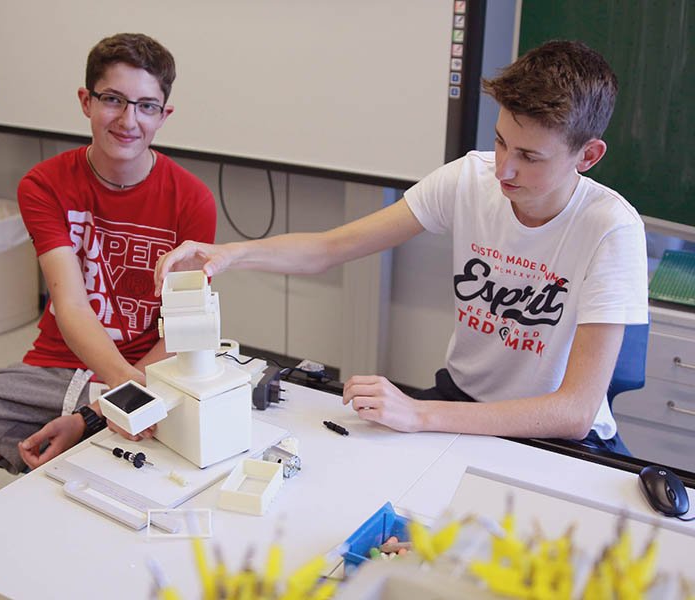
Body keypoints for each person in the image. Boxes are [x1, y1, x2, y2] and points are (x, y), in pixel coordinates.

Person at [153, 41, 647, 453]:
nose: (504, 170)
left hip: (549, 433)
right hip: (460, 398)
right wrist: (231, 254)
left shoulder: (610, 229)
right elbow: (330, 248)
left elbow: (576, 411)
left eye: (529, 157)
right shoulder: (469, 179)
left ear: (588, 155)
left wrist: (419, 413)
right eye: (500, 143)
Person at [0, 33, 216, 525]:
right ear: (87, 101)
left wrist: (117, 403)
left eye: (147, 106)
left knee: (122, 513)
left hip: (153, 373)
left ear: (163, 116)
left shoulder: (192, 200)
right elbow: (71, 304)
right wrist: (121, 388)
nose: (130, 121)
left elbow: (181, 330)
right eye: (113, 100)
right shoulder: (45, 184)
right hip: (54, 368)